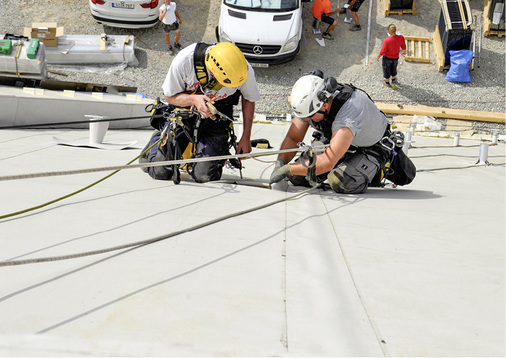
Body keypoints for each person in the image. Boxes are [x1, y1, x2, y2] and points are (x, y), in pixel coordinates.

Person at [270, 71, 414, 193]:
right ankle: (342, 159)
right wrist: (280, 162)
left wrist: (287, 169)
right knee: (299, 177)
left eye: (310, 117)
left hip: (370, 147)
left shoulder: (348, 113)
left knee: (339, 181)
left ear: (325, 104)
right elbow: (293, 137)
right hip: (342, 140)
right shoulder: (312, 105)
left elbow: (327, 162)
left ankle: (371, 169)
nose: (306, 120)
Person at [140, 42, 261, 183]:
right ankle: (157, 139)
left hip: (218, 116)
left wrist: (246, 137)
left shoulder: (242, 71)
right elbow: (169, 96)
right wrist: (193, 100)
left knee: (203, 176)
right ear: (211, 70)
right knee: (160, 172)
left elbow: (249, 99)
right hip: (184, 111)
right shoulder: (185, 61)